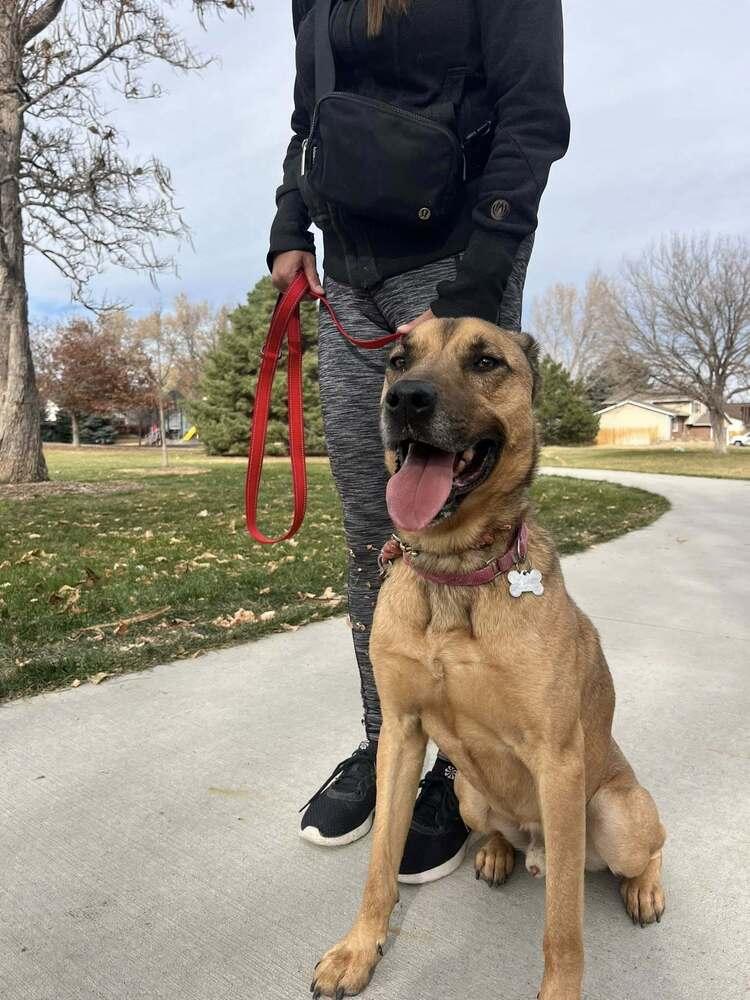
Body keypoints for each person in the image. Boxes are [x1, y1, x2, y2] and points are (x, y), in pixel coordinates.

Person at [268, 0, 569, 883]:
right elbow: (309, 118)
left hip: (454, 258)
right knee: (379, 529)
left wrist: (479, 278)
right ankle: (389, 739)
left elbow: (531, 112)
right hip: (347, 274)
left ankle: (457, 770)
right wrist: (291, 226)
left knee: (470, 528)